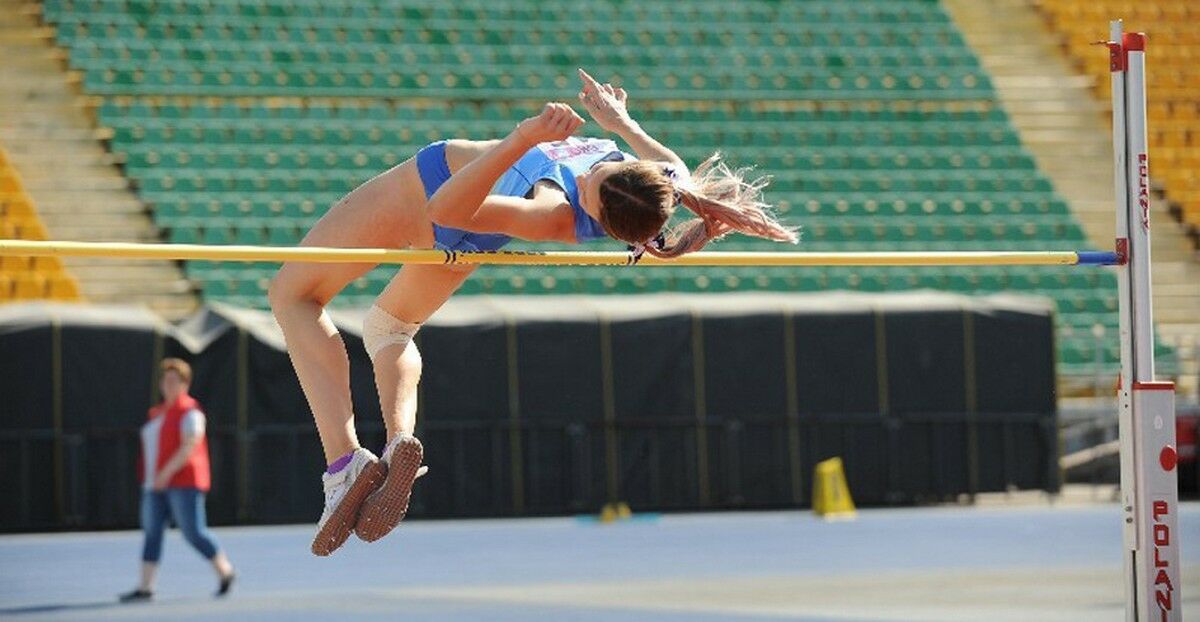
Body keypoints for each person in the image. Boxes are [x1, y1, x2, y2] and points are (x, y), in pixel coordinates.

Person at [268, 69, 798, 556]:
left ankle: (344, 462)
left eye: (588, 192)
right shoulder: (661, 184)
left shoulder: (555, 212)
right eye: (599, 174)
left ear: (599, 219)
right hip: (474, 237)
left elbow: (443, 208)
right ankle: (397, 442)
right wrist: (620, 121)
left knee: (293, 296)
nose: (585, 180)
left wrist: (524, 138)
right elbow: (669, 163)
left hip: (432, 189)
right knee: (390, 327)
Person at [119, 358, 236, 602]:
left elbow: (189, 444)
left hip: (183, 483)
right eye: (165, 380)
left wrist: (166, 473)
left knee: (193, 532)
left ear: (185, 384)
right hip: (154, 485)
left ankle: (224, 571)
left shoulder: (191, 412)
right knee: (152, 533)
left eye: (174, 380)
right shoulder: (157, 413)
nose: (169, 385)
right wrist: (153, 477)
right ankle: (145, 586)